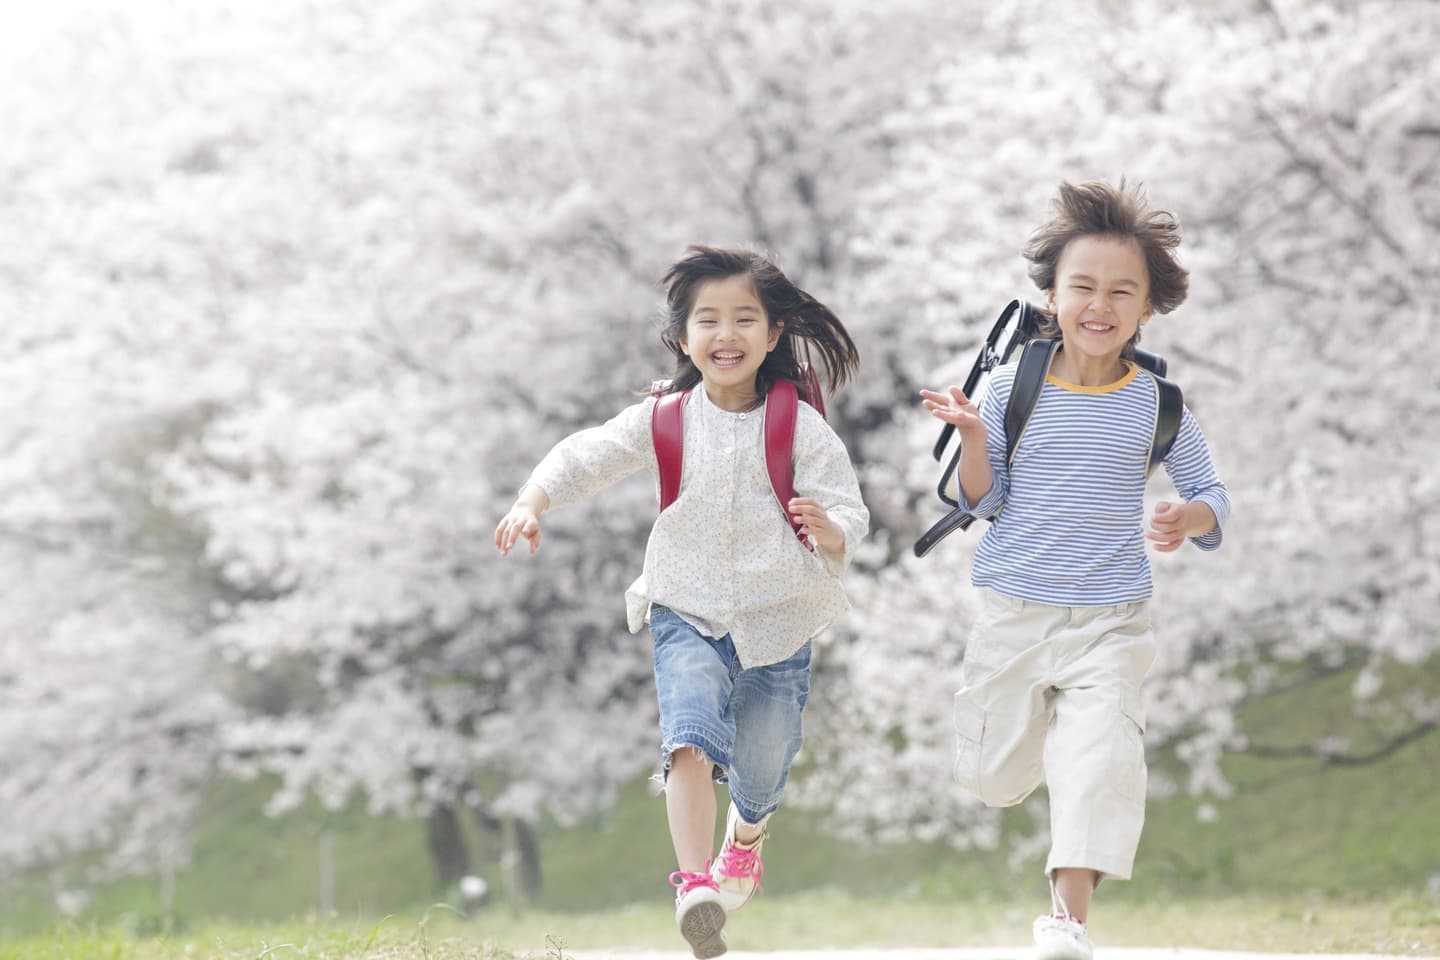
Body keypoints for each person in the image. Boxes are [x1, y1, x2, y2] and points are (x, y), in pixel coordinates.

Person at [495, 245, 868, 959]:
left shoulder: (799, 426)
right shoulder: (665, 419)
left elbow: (848, 508)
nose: (725, 335)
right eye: (708, 321)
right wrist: (531, 500)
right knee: (689, 734)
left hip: (780, 615)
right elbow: (586, 455)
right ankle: (694, 884)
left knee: (764, 759)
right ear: (683, 339)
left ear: (773, 335)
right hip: (684, 609)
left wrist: (834, 531)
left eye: (743, 320)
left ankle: (746, 836)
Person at [920, 180, 1231, 960]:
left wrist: (1186, 519)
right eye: (1082, 287)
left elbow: (1211, 494)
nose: (1100, 305)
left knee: (1097, 763)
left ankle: (1067, 923)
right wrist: (975, 437)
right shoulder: (1009, 387)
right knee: (991, 777)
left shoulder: (1157, 405)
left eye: (1121, 291)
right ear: (1052, 297)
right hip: (1015, 613)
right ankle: (1028, 753)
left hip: (1111, 620)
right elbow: (977, 502)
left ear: (1147, 307)